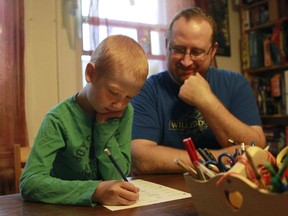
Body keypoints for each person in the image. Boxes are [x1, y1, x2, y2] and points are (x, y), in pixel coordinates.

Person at [131, 7, 266, 175]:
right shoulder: (147, 89)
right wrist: (219, 159)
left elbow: (256, 148)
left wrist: (206, 100)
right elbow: (140, 158)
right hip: (168, 194)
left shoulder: (235, 83)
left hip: (227, 190)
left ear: (213, 51)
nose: (186, 61)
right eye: (179, 49)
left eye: (196, 52)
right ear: (167, 45)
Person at [20, 35, 149, 206]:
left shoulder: (125, 112)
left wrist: (104, 131)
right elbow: (29, 183)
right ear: (91, 73)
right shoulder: (58, 120)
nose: (119, 104)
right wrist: (94, 191)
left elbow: (117, 177)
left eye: (129, 97)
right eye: (113, 92)